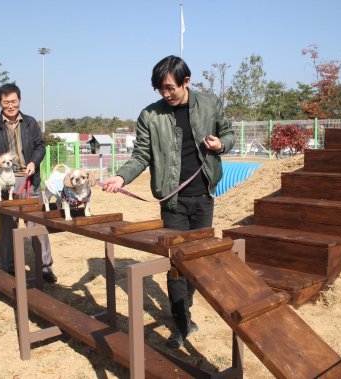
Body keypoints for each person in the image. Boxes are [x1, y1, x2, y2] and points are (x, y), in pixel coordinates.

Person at [103, 56, 234, 349]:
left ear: (186, 82)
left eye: (170, 88)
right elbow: (141, 155)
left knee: (195, 264)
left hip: (203, 198)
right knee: (175, 265)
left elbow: (228, 133)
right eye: (160, 89)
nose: (165, 94)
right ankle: (180, 323)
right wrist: (121, 178)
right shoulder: (150, 116)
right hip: (173, 202)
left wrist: (221, 144)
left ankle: (185, 311)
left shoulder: (210, 104)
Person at [0, 83, 57, 283]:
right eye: (6, 103)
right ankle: (9, 268)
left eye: (13, 101)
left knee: (37, 223)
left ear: (19, 100)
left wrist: (33, 162)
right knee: (8, 224)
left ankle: (45, 268)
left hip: (30, 179)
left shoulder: (30, 123)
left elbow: (40, 146)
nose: (10, 106)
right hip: (5, 181)